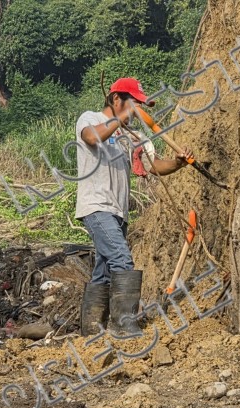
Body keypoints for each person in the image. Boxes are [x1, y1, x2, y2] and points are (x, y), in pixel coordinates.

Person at [74, 77, 194, 336]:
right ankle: (124, 325)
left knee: (104, 272)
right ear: (116, 99)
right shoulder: (91, 118)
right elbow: (92, 138)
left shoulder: (134, 137)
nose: (136, 111)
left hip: (118, 212)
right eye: (133, 103)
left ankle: (92, 330)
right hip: (96, 206)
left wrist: (178, 163)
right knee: (122, 258)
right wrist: (120, 120)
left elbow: (154, 166)